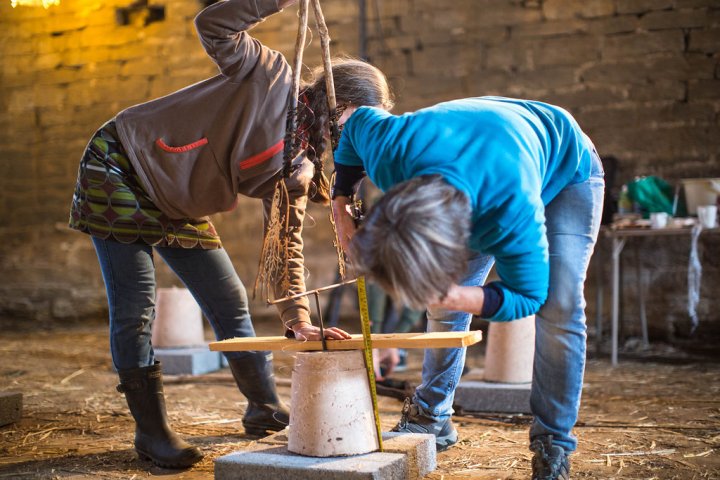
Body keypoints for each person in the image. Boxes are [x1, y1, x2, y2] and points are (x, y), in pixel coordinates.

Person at [68, 0, 392, 469]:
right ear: (339, 103)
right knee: (137, 305)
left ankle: (263, 406)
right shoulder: (268, 75)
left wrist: (298, 319)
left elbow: (286, 245)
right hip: (122, 164)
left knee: (228, 297)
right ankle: (152, 433)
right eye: (361, 120)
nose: (362, 133)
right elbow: (212, 25)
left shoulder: (299, 167)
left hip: (177, 201)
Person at [330, 96, 604, 480]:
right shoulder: (389, 147)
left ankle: (553, 441)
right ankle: (432, 417)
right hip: (487, 148)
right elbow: (354, 121)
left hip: (565, 164)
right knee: (442, 311)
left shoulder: (510, 211)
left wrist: (455, 294)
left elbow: (529, 296)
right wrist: (341, 202)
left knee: (561, 306)